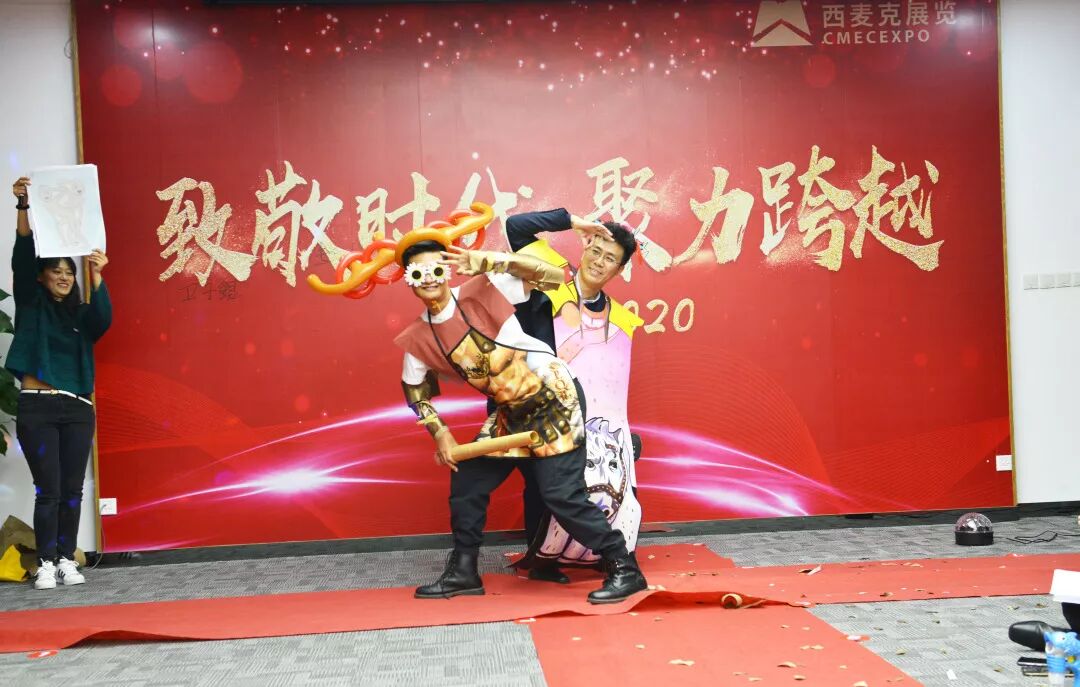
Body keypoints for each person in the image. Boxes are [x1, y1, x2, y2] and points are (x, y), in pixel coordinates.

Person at [393, 237, 647, 604]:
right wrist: (441, 433)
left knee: (560, 494)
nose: (429, 278)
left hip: (553, 396)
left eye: (435, 268)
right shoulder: (420, 337)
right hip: (510, 412)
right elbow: (416, 393)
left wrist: (490, 261)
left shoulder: (482, 290)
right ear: (409, 280)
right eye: (418, 273)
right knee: (468, 478)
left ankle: (624, 566)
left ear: (446, 271)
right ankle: (463, 571)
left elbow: (552, 278)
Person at [504, 208, 643, 582]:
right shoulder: (551, 282)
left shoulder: (619, 318)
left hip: (591, 418)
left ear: (619, 270)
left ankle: (601, 551)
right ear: (585, 248)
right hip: (533, 406)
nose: (599, 261)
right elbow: (516, 228)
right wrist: (572, 221)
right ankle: (543, 561)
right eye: (595, 250)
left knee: (606, 472)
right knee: (541, 484)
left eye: (610, 258)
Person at [8, 176, 112, 590]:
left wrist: (98, 275)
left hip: (78, 409)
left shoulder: (81, 315)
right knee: (48, 489)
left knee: (72, 490)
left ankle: (67, 558)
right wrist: (23, 207)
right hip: (38, 407)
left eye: (69, 271)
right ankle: (46, 563)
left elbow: (103, 321)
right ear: (42, 276)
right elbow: (22, 259)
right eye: (56, 270)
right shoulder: (31, 304)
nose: (64, 277)